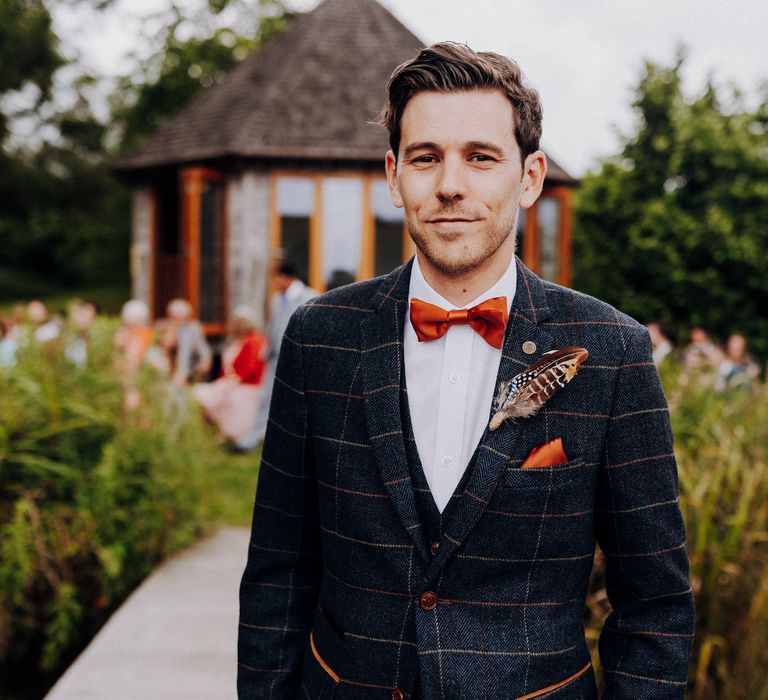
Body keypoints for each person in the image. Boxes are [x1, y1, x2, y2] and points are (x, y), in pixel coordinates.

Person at [238, 43, 693, 699]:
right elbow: (278, 571)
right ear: (394, 177)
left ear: (530, 177)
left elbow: (654, 603)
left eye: (481, 157)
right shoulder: (320, 337)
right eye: (426, 158)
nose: (450, 183)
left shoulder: (613, 351)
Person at [230, 262, 317, 452]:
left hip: (299, 358)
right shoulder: (277, 299)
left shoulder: (309, 297)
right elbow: (273, 326)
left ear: (288, 277)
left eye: (278, 277)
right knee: (266, 399)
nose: (276, 282)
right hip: (275, 359)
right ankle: (248, 442)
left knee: (300, 401)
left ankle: (299, 445)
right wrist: (267, 350)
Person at [193, 305, 268, 442]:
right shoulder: (237, 341)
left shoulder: (254, 341)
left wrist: (234, 380)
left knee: (219, 396)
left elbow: (250, 367)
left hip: (247, 384)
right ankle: (213, 430)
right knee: (204, 394)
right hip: (231, 380)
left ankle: (225, 433)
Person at [113, 299, 154, 411]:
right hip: (125, 375)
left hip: (141, 375)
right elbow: (117, 356)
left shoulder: (147, 335)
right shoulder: (122, 334)